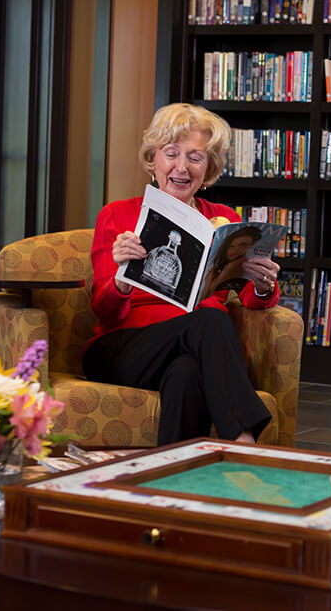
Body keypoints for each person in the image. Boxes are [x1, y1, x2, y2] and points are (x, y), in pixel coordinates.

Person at [82, 103, 281, 446]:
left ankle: (173, 479)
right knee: (210, 321)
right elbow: (104, 311)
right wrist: (120, 278)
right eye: (171, 154)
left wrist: (263, 284)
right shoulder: (117, 215)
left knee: (187, 372)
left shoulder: (224, 219)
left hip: (194, 348)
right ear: (153, 159)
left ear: (209, 167)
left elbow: (251, 298)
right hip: (124, 350)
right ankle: (245, 440)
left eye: (195, 157)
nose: (181, 168)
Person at [199, 226, 263, 299]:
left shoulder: (240, 267)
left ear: (252, 246)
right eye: (231, 246)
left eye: (242, 245)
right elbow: (202, 299)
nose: (235, 250)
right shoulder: (216, 269)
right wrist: (208, 282)